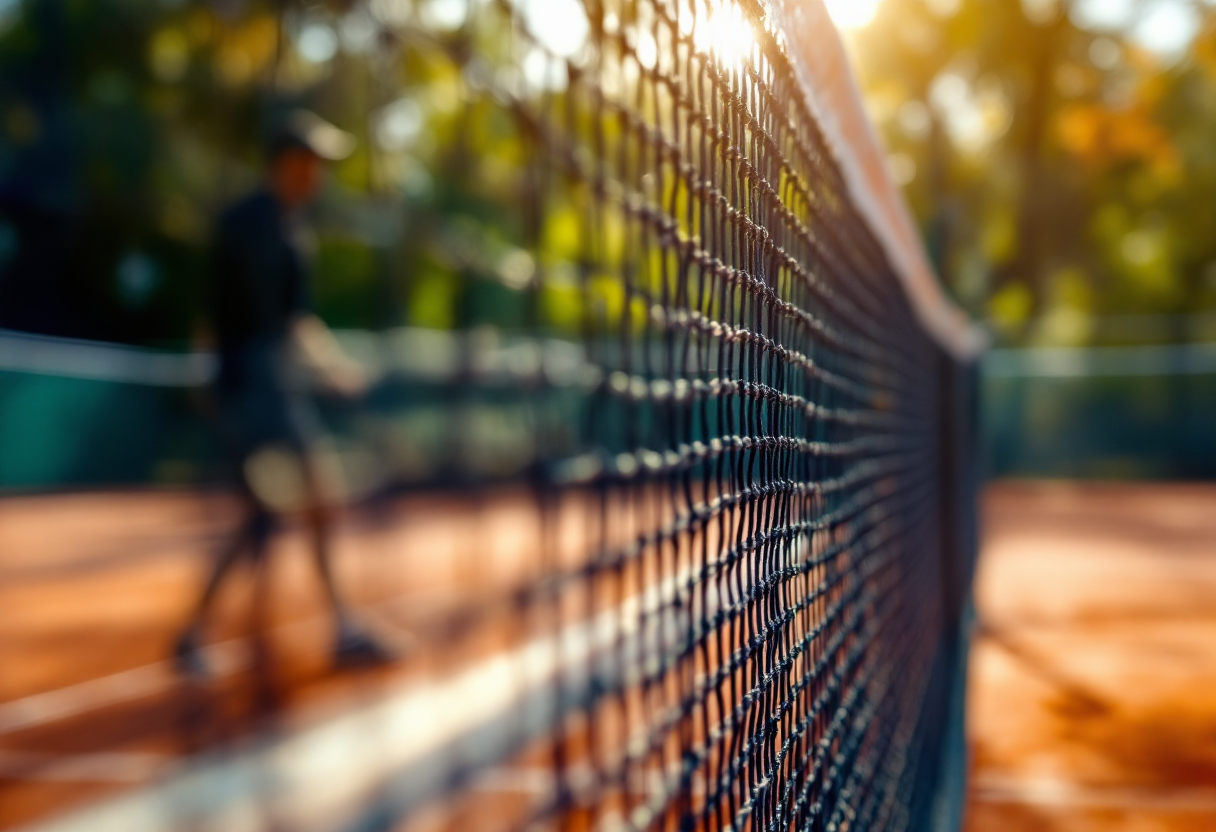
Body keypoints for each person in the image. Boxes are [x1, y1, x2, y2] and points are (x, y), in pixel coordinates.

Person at [174, 110, 393, 676]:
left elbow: (297, 322)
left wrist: (332, 367)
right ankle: (330, 627)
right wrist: (213, 383)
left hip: (278, 385)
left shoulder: (297, 235)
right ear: (287, 161)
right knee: (287, 506)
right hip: (247, 387)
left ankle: (202, 632)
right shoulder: (243, 222)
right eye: (312, 160)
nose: (318, 173)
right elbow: (211, 312)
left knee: (280, 512)